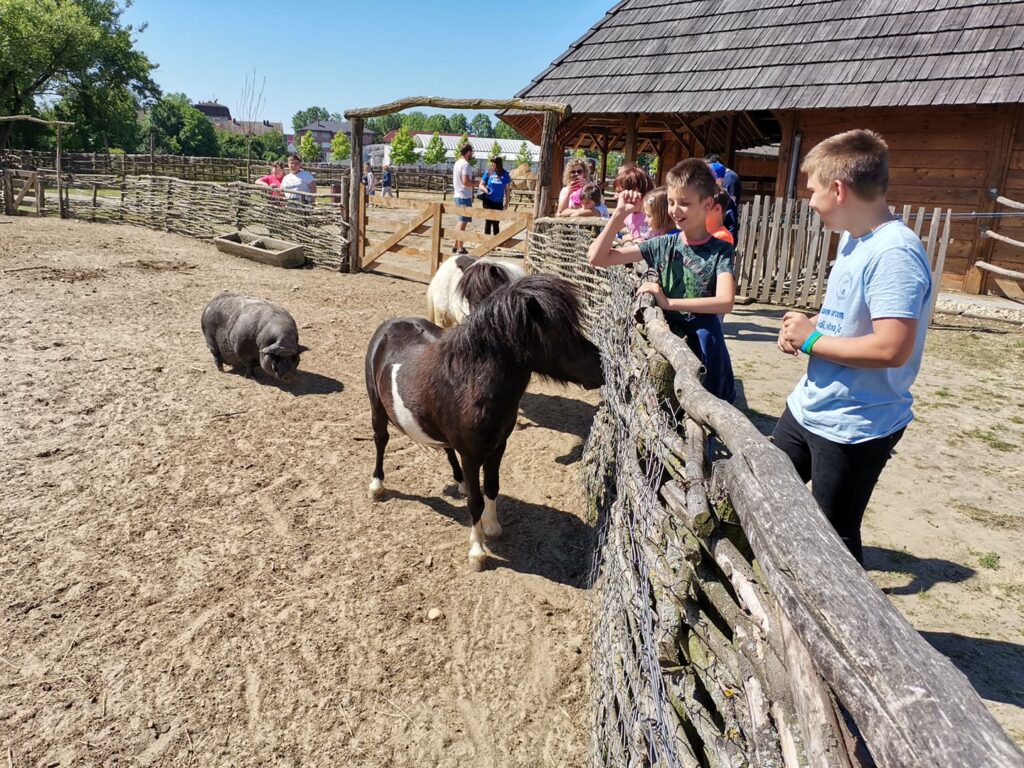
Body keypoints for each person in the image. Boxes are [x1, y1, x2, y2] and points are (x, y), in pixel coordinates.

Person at [773, 129, 932, 566]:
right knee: (762, 487)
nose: (810, 201)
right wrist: (808, 328)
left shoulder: (894, 253)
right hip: (811, 405)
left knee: (833, 540)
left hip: (856, 422)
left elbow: (891, 348)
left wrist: (811, 339)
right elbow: (847, 319)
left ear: (839, 190)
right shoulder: (853, 238)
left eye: (814, 190)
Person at [587, 158, 736, 403]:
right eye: (671, 202)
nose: (675, 210)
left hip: (706, 345)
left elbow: (725, 302)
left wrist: (669, 303)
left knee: (708, 405)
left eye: (684, 203)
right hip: (667, 344)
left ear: (708, 204)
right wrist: (619, 215)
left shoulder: (721, 250)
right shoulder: (662, 244)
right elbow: (598, 258)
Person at [614, 165, 655, 241]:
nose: (615, 196)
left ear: (635, 190)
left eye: (619, 192)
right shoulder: (629, 214)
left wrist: (634, 239)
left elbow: (649, 239)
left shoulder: (650, 215)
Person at [479, 157, 512, 236]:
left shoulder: (505, 174)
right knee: (488, 221)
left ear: (498, 164)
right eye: (492, 163)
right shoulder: (488, 172)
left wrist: (507, 201)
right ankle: (487, 240)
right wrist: (485, 190)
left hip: (498, 202)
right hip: (488, 201)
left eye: (494, 163)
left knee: (496, 223)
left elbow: (507, 189)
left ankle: (496, 241)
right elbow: (481, 185)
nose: (492, 164)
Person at [452, 143, 475, 254]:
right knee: (462, 222)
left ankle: (455, 245)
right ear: (468, 152)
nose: (472, 154)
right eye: (472, 152)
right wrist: (477, 183)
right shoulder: (465, 164)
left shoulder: (457, 163)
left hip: (457, 195)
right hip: (464, 196)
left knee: (459, 221)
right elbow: (466, 182)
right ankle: (460, 248)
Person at [708, 162, 739, 241]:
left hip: (719, 239)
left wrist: (729, 243)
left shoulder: (725, 198)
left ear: (720, 180)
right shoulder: (705, 195)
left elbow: (731, 224)